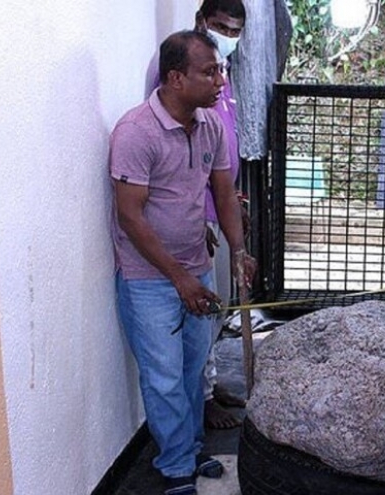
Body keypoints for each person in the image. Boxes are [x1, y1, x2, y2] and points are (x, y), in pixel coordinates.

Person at [111, 30, 256, 495]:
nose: (221, 80)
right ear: (176, 78)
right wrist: (178, 279)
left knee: (193, 369)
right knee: (164, 375)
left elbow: (223, 193)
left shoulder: (210, 124)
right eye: (210, 71)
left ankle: (191, 450)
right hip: (148, 278)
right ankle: (175, 467)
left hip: (194, 266)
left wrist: (238, 252)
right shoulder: (136, 132)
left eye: (220, 69)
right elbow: (129, 215)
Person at [145, 0, 248, 430]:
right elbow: (177, 152)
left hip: (218, 202)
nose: (229, 36)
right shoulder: (181, 71)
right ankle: (201, 400)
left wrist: (229, 202)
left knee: (210, 311)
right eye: (222, 26)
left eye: (236, 29)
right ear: (203, 21)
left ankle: (207, 384)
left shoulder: (219, 73)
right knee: (196, 314)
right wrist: (202, 214)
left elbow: (220, 143)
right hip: (193, 214)